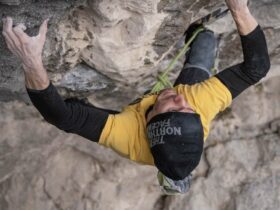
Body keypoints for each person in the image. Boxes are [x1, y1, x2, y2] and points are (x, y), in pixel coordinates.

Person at [2, 0, 270, 194]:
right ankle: (201, 28)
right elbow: (256, 67)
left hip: (143, 123)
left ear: (149, 121)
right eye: (187, 110)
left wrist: (31, 61)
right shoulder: (199, 103)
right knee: (204, 45)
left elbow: (59, 116)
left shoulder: (130, 136)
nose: (179, 99)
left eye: (173, 108)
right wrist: (239, 8)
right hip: (186, 108)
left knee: (75, 110)